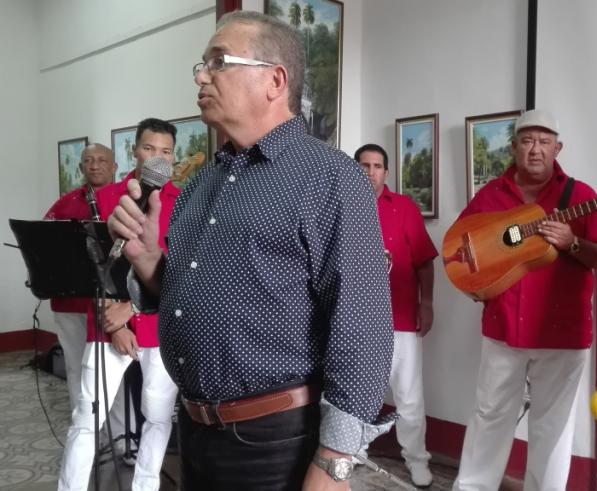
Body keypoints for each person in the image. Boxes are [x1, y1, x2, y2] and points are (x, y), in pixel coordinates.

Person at [108, 11, 393, 490]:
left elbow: (361, 330)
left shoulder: (330, 179)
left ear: (275, 81)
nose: (201, 75)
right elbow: (185, 296)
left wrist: (334, 463)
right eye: (201, 64)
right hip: (195, 430)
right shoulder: (201, 184)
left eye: (218, 61)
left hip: (277, 442)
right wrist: (150, 262)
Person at [452, 109, 597, 491]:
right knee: (489, 416)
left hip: (562, 333)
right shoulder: (492, 194)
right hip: (503, 329)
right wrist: (475, 283)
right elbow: (460, 247)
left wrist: (572, 242)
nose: (535, 149)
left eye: (545, 142)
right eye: (527, 140)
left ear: (557, 148)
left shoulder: (580, 196)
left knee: (552, 426)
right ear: (514, 147)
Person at [58, 119, 180, 491]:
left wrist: (135, 312)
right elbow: (94, 268)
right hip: (108, 323)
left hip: (158, 327)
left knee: (157, 417)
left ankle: (145, 485)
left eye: (165, 152)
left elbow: (177, 272)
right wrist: (117, 322)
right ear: (134, 151)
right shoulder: (106, 198)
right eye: (149, 149)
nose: (156, 157)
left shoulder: (185, 202)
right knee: (86, 416)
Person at [355, 143, 438, 487]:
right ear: (354, 169)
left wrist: (427, 302)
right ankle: (353, 451)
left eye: (377, 166)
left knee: (409, 395)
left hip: (401, 320)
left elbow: (423, 260)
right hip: (355, 321)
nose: (371, 171)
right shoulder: (340, 206)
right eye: (364, 165)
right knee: (356, 391)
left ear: (386, 173)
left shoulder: (404, 208)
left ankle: (416, 460)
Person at [44, 144, 117, 412]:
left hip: (112, 305)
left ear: (114, 167)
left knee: (114, 371)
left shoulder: (125, 200)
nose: (94, 165)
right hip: (70, 305)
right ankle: (84, 429)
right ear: (81, 167)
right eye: (88, 160)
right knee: (76, 367)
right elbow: (43, 247)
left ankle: (118, 439)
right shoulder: (64, 205)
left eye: (101, 160)